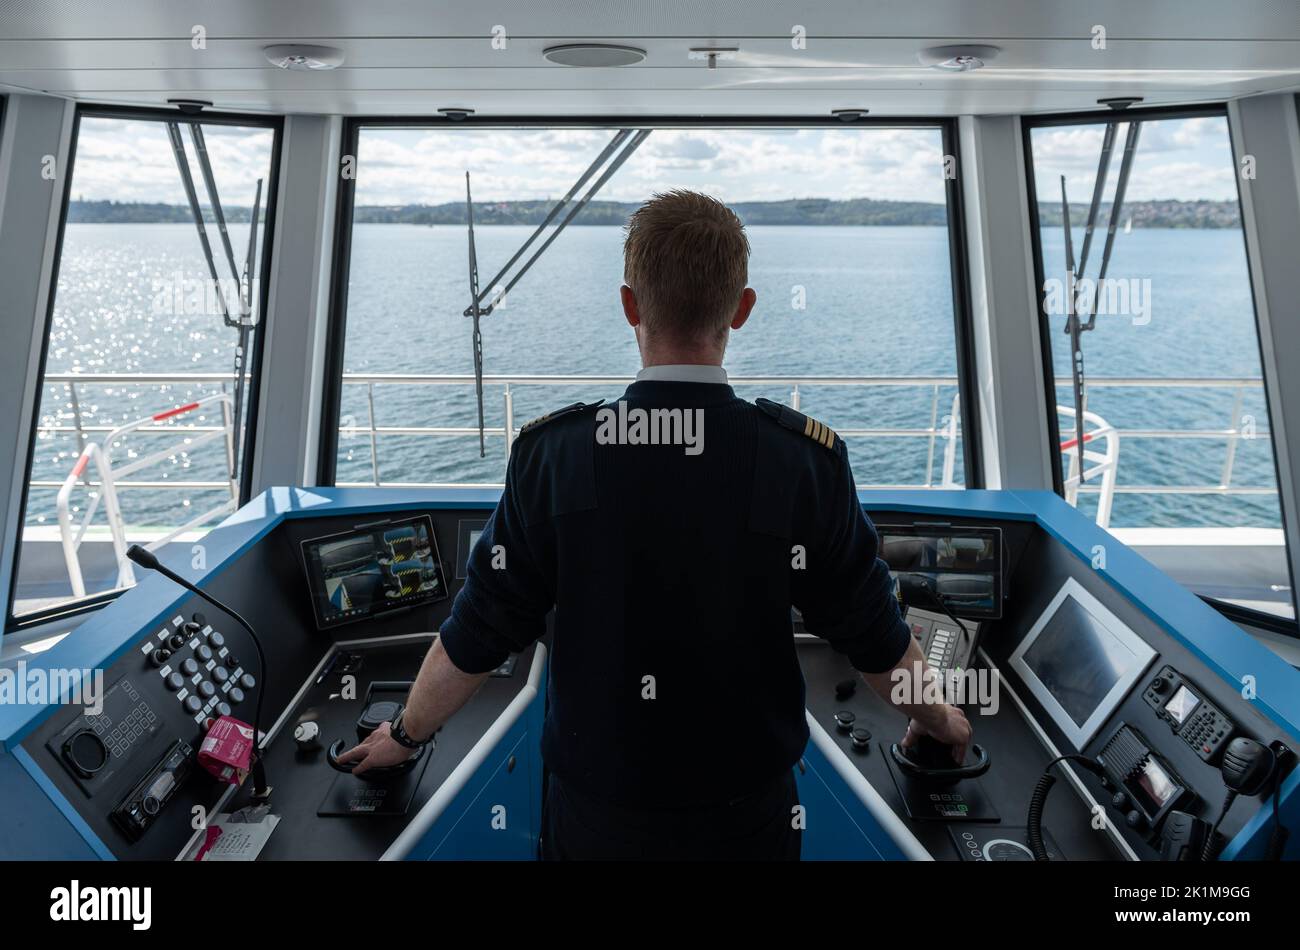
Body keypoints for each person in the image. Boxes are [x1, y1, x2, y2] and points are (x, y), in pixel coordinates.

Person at [336, 189, 972, 859]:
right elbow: (877, 641)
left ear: (629, 305)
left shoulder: (553, 457)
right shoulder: (803, 463)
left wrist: (403, 737)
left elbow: (476, 636)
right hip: (750, 819)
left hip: (597, 820)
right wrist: (942, 719)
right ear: (743, 309)